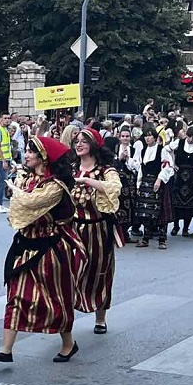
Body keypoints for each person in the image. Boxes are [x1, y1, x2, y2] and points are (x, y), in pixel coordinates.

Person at [0, 136, 84, 363]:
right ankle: (6, 349)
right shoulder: (27, 179)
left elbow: (30, 203)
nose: (27, 155)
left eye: (32, 152)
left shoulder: (54, 186)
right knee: (16, 296)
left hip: (49, 249)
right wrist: (17, 186)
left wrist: (13, 188)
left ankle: (68, 343)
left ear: (43, 157)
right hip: (25, 246)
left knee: (54, 300)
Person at [71, 127, 121, 334]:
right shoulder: (71, 168)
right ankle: (66, 317)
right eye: (77, 141)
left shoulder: (106, 170)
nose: (79, 144)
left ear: (93, 145)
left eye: (84, 141)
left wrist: (87, 180)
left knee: (99, 272)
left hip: (98, 230)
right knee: (70, 273)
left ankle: (100, 318)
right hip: (73, 229)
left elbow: (114, 188)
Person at [132, 127, 174, 249]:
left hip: (158, 183)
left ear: (155, 137)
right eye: (145, 136)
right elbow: (141, 169)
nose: (147, 138)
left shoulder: (162, 150)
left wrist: (159, 179)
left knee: (160, 212)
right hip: (146, 183)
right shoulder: (143, 151)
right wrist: (138, 184)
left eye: (150, 135)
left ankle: (162, 240)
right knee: (146, 213)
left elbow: (167, 166)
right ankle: (146, 238)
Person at [170, 126, 193, 237]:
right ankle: (176, 226)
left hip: (192, 178)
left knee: (189, 203)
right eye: (189, 137)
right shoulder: (178, 143)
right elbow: (166, 150)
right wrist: (172, 163)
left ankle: (185, 228)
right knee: (176, 202)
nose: (190, 140)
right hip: (179, 176)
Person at [0, 113, 12, 213]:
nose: (7, 120)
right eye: (5, 118)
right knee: (1, 181)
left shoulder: (5, 130)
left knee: (4, 181)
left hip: (5, 158)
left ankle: (0, 204)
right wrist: (4, 160)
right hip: (1, 159)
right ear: (1, 119)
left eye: (8, 118)